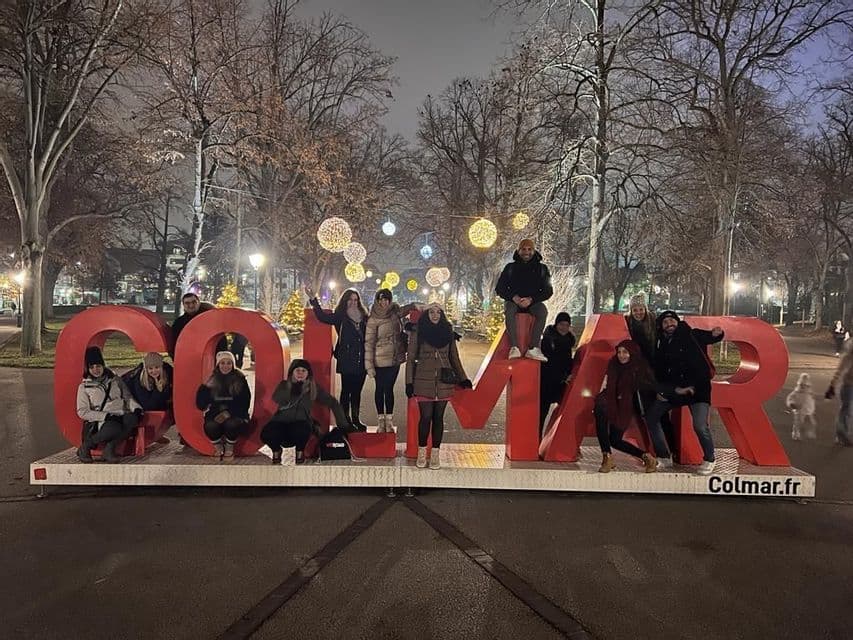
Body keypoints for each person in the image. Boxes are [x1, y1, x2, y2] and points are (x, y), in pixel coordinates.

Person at [644, 310, 724, 475]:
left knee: (700, 426)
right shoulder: (660, 344)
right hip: (675, 391)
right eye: (665, 323)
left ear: (677, 322)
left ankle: (710, 458)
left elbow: (710, 336)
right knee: (651, 417)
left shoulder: (692, 334)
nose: (669, 324)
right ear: (661, 326)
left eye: (672, 321)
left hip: (698, 390)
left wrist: (718, 334)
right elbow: (659, 372)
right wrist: (665, 391)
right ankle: (664, 457)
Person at [405, 303, 472, 469]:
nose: (435, 315)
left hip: (443, 381)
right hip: (423, 380)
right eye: (431, 312)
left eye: (438, 312)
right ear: (426, 315)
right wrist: (409, 382)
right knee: (425, 417)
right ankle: (422, 453)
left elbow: (454, 358)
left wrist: (463, 378)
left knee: (438, 418)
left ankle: (435, 454)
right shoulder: (418, 332)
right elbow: (411, 358)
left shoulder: (448, 332)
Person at [261, 359, 352, 464]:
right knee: (266, 433)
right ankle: (276, 450)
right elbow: (277, 398)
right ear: (292, 372)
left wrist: (343, 425)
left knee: (302, 429)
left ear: (308, 374)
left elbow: (333, 403)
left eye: (303, 371)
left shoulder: (312, 388)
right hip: (281, 420)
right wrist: (292, 387)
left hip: (301, 421)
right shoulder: (284, 385)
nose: (300, 373)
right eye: (297, 370)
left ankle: (300, 451)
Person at [306, 286, 369, 431]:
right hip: (347, 360)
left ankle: (355, 419)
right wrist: (313, 300)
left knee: (357, 392)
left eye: (356, 300)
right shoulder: (340, 316)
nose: (353, 303)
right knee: (346, 391)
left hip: (362, 361)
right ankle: (345, 421)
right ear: (345, 301)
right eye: (350, 300)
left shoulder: (364, 317)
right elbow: (322, 317)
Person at [595, 340, 659, 473]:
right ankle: (607, 457)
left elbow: (649, 386)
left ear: (632, 352)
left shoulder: (640, 367)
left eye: (625, 352)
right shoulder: (613, 363)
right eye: (619, 352)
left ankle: (646, 457)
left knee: (615, 440)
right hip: (610, 400)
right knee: (600, 409)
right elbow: (608, 384)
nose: (621, 355)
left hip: (625, 405)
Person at [76, 346, 142, 463]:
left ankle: (110, 448)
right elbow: (82, 411)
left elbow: (127, 397)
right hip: (103, 419)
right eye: (92, 367)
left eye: (98, 366)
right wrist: (105, 416)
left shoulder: (115, 380)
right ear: (88, 368)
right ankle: (86, 446)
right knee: (113, 428)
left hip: (120, 413)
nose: (96, 369)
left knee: (132, 419)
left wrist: (136, 408)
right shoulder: (84, 387)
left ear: (103, 365)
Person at [365, 288, 418, 433]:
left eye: (386, 299)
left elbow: (408, 309)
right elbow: (368, 342)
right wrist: (369, 365)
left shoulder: (395, 313)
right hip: (379, 359)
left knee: (389, 388)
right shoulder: (373, 318)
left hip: (394, 359)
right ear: (377, 300)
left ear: (390, 300)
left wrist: (419, 305)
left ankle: (389, 420)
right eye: (381, 299)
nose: (383, 302)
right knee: (380, 388)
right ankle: (380, 421)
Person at [495, 238, 552, 361]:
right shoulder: (510, 268)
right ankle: (514, 347)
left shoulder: (542, 269)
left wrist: (531, 300)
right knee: (509, 310)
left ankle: (533, 348)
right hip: (513, 302)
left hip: (533, 303)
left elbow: (548, 291)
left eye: (529, 249)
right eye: (523, 249)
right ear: (518, 251)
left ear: (534, 250)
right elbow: (500, 288)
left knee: (542, 311)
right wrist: (513, 297)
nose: (526, 252)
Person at [195, 351, 251, 459]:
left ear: (233, 365)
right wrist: (204, 388)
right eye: (222, 363)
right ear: (218, 365)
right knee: (210, 426)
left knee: (232, 424)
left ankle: (229, 448)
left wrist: (229, 413)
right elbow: (201, 405)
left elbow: (245, 402)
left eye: (229, 363)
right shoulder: (211, 380)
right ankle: (218, 447)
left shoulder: (240, 380)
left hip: (236, 414)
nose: (225, 366)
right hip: (215, 413)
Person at [539, 312, 575, 438]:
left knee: (569, 411)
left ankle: (560, 442)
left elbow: (567, 361)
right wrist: (563, 377)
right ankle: (535, 443)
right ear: (556, 324)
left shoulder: (568, 341)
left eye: (566, 325)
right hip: (546, 384)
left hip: (560, 384)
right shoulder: (548, 340)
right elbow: (548, 364)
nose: (564, 327)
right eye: (561, 324)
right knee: (541, 415)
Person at [169, 292, 227, 358]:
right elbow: (174, 344)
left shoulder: (210, 318)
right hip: (189, 359)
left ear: (199, 303)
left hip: (211, 358)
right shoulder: (178, 323)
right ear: (183, 305)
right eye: (187, 303)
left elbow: (220, 339)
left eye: (194, 302)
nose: (191, 305)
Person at [825, 339, 853, 446]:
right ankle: (843, 433)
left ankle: (840, 434)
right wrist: (832, 386)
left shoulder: (847, 357)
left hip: (847, 386)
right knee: (847, 411)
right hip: (848, 387)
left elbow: (839, 372)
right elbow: (840, 372)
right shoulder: (848, 358)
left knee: (845, 410)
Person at [625, 293, 657, 366]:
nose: (638, 313)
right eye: (635, 310)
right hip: (632, 360)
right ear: (631, 311)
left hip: (650, 358)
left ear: (645, 309)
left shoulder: (652, 320)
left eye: (641, 309)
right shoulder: (626, 321)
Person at [786, 372, 816, 441]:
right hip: (799, 410)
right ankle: (795, 435)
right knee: (798, 423)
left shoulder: (809, 392)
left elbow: (811, 400)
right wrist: (791, 404)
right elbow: (790, 398)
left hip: (807, 410)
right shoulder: (797, 392)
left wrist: (811, 408)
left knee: (811, 422)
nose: (804, 386)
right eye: (802, 385)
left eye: (805, 385)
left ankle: (809, 433)